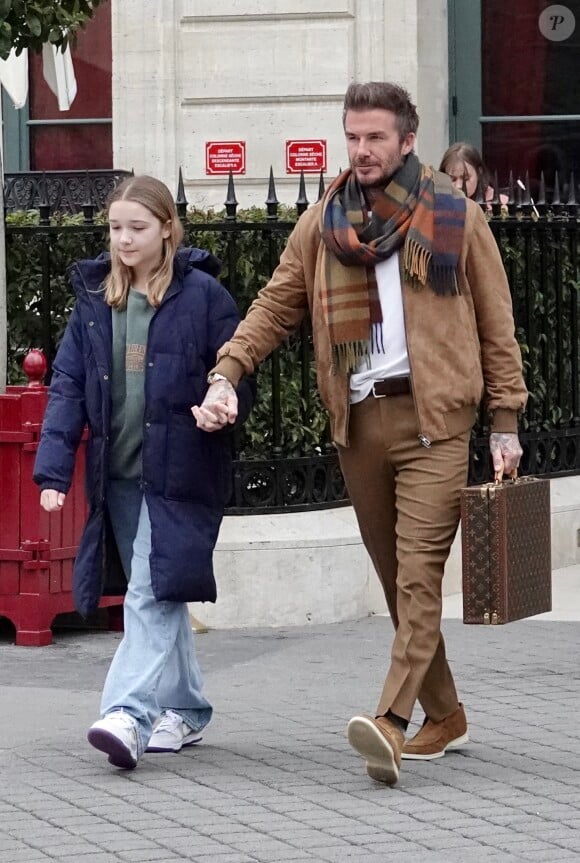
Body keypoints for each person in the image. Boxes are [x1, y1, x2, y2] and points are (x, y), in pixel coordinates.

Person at [193, 82, 527, 786]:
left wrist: (505, 419)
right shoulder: (325, 221)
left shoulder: (455, 216)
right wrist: (227, 371)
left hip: (436, 420)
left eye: (375, 137)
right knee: (398, 585)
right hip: (359, 422)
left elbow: (498, 325)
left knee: (418, 577)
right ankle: (447, 714)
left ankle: (391, 724)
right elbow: (275, 305)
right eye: (353, 136)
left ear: (407, 141)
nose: (362, 149)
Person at [33, 175, 255, 770]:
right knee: (161, 593)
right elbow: (68, 386)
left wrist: (225, 399)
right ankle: (186, 710)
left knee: (148, 591)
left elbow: (237, 370)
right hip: (120, 476)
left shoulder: (204, 296)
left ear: (166, 230)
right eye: (115, 228)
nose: (123, 240)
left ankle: (127, 714)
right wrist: (53, 471)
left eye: (137, 228)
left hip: (181, 473)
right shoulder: (93, 300)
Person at [439, 141, 508, 211]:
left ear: (479, 173)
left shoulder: (501, 205)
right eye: (452, 179)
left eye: (466, 179)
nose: (458, 186)